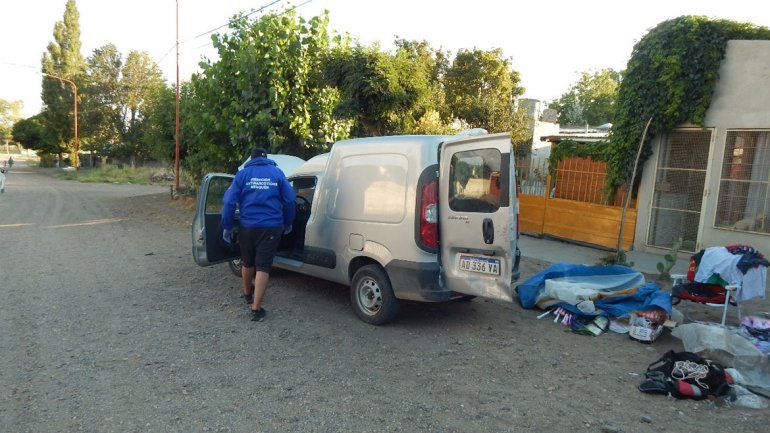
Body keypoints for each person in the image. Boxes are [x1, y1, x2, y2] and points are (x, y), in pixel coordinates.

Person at [221, 147, 296, 321]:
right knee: (263, 266)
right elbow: (290, 200)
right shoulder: (277, 173)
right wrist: (288, 222)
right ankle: (256, 309)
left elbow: (229, 201)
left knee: (247, 262)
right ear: (266, 158)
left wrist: (227, 226)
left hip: (247, 226)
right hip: (271, 226)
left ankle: (248, 294)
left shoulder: (242, 175)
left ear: (251, 159)